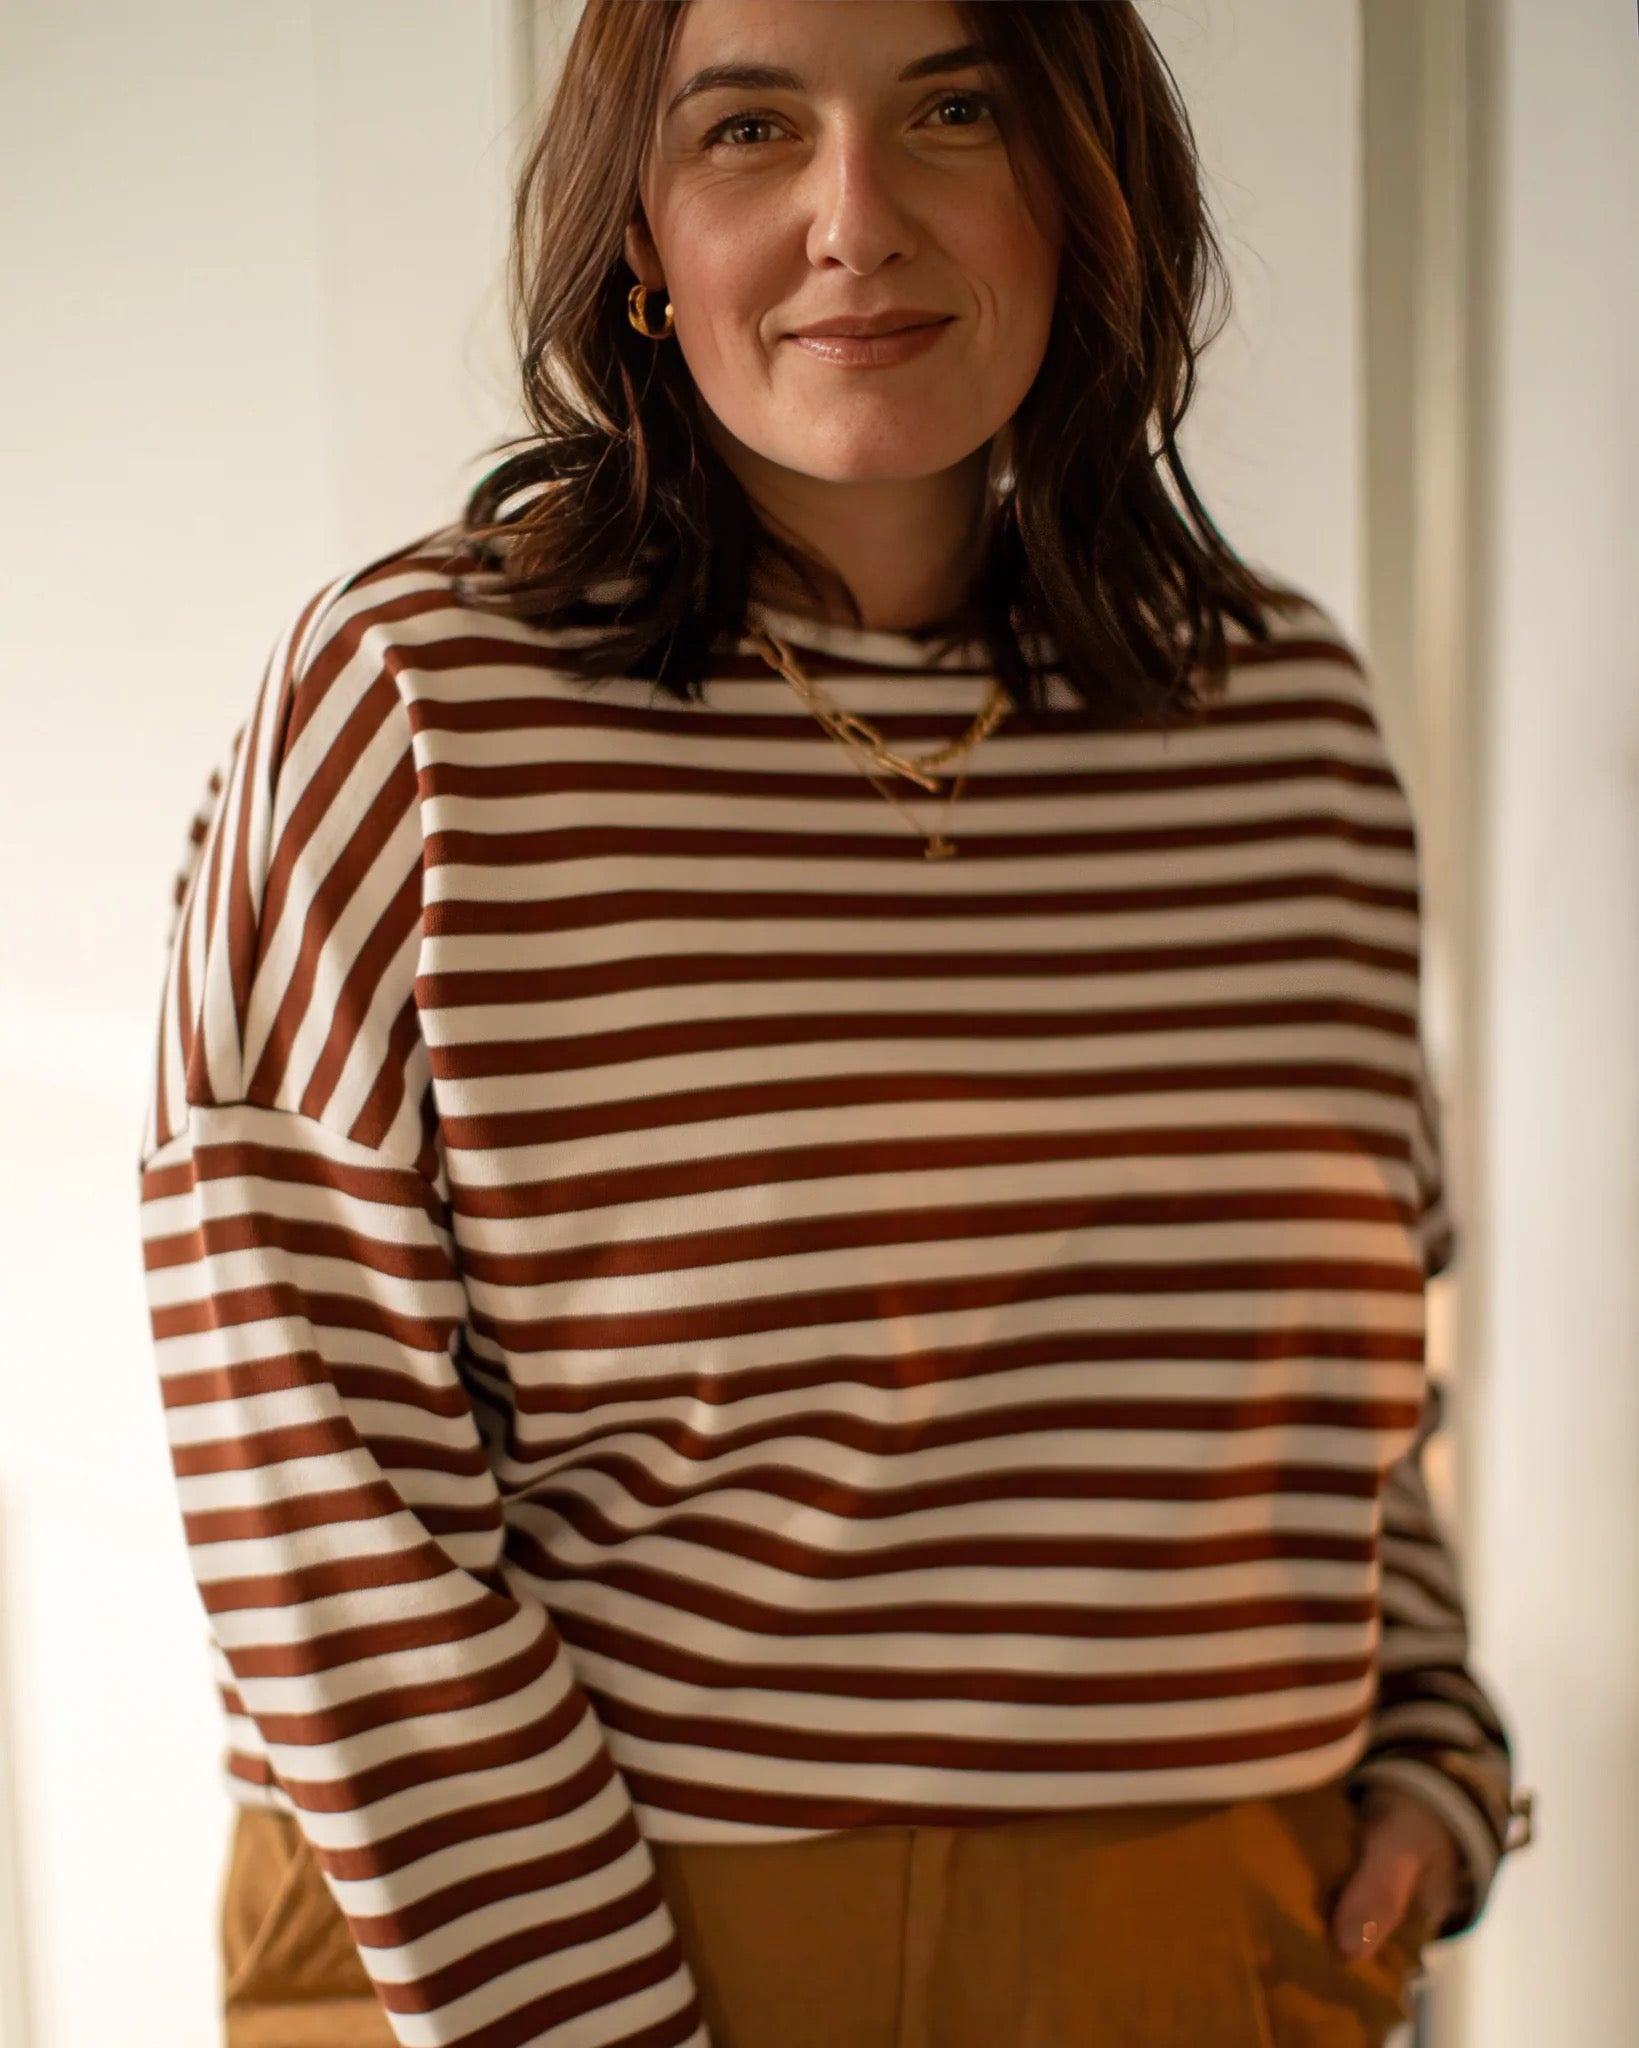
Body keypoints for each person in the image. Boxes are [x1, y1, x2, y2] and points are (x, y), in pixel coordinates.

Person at [135, 4, 1533, 2044]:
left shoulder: (1280, 723)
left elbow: (1347, 1377)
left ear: (1083, 181)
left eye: (956, 108)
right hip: (529, 1953)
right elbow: (308, 1465)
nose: (855, 218)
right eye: (749, 130)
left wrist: (1429, 1735)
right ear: (637, 229)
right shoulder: (413, 706)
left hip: (1200, 1936)